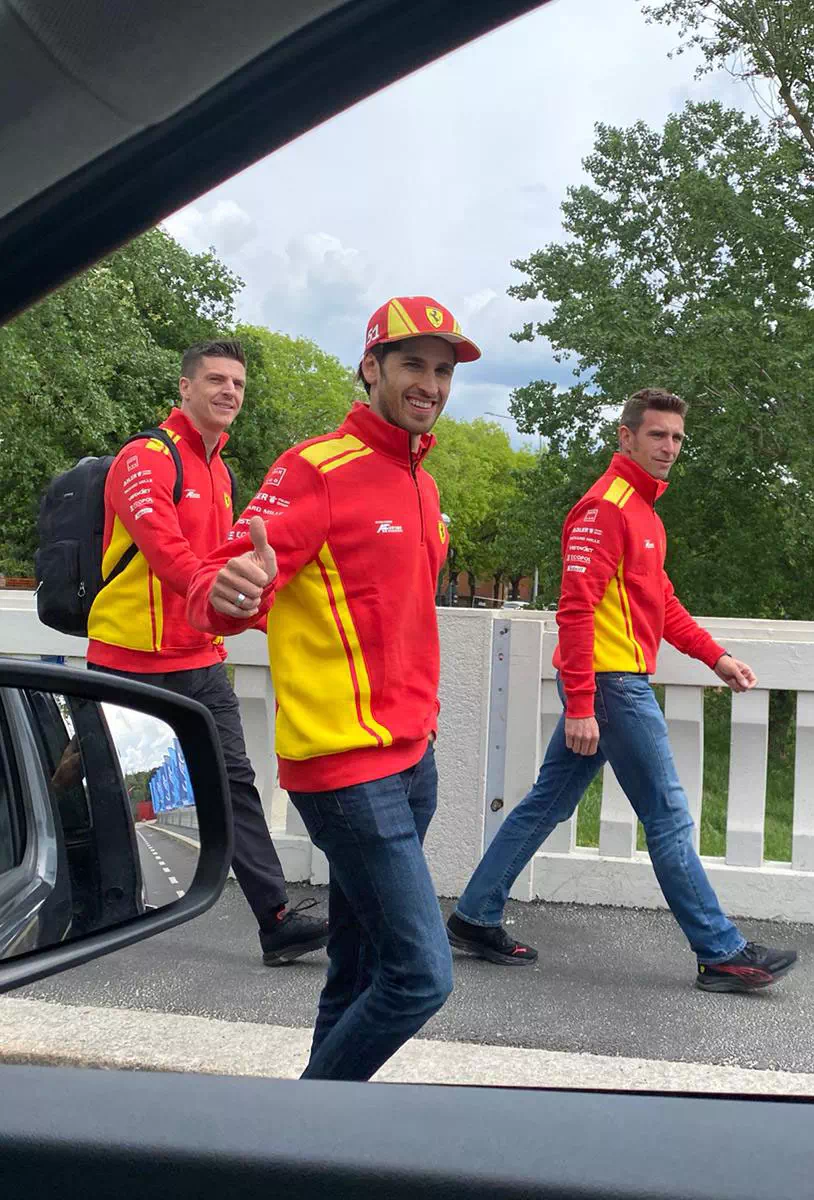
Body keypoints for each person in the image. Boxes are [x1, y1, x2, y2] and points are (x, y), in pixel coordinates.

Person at [186, 297, 481, 1081]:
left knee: (357, 970)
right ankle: (295, 1128)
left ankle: (319, 1132)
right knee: (421, 977)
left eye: (443, 370)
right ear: (371, 367)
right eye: (413, 363)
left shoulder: (422, 482)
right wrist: (229, 590)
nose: (430, 384)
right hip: (345, 768)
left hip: (412, 760)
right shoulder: (315, 467)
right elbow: (216, 579)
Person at [447, 388, 798, 994]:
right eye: (658, 434)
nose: (669, 447)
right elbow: (575, 609)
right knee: (667, 816)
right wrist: (582, 704)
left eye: (677, 437)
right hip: (609, 687)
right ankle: (721, 952)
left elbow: (662, 603)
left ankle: (474, 916)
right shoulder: (605, 508)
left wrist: (716, 657)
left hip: (612, 685)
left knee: (547, 803)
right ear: (626, 436)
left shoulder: (645, 513)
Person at [86, 339, 328, 966]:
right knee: (102, 789)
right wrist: (213, 592)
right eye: (216, 380)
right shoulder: (145, 457)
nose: (229, 391)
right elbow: (168, 554)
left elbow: (226, 568)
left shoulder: (221, 473)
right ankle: (93, 917)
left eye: (238, 384)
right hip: (130, 660)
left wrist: (270, 614)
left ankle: (277, 921)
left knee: (235, 785)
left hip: (200, 660)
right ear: (185, 387)